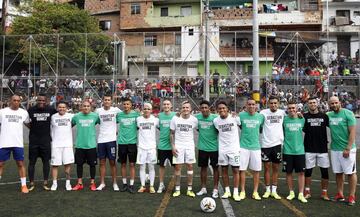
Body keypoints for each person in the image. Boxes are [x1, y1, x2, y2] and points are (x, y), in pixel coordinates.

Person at [327, 96, 357, 205]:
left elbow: (353, 132)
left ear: (340, 102)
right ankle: (340, 194)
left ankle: (352, 196)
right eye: (332, 104)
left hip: (347, 149)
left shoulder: (348, 114)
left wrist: (348, 148)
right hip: (334, 149)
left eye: (335, 103)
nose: (334, 105)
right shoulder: (329, 115)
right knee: (338, 173)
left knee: (351, 173)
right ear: (329, 105)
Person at [0, 95, 30, 193]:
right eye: (14, 100)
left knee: (20, 163)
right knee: (0, 164)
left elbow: (29, 124)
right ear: (10, 101)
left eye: (18, 101)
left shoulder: (24, 113)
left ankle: (24, 185)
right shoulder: (2, 112)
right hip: (4, 142)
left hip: (18, 143)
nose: (16, 102)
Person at [27, 93, 57, 191]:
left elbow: (59, 117)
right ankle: (31, 183)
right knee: (32, 162)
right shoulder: (31, 110)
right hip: (33, 141)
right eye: (39, 100)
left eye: (43, 101)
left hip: (46, 141)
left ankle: (45, 182)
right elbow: (27, 123)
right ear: (36, 101)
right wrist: (34, 129)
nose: (41, 102)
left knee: (46, 162)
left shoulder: (51, 110)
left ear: (46, 101)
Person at [213, 101, 241, 201]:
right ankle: (227, 191)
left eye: (223, 108)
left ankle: (236, 192)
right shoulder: (216, 121)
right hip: (222, 149)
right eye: (220, 108)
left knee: (236, 170)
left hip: (234, 149)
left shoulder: (235, 118)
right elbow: (217, 132)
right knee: (224, 170)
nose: (222, 110)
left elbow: (242, 126)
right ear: (217, 110)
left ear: (227, 109)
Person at [303, 97, 330, 200]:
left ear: (317, 103)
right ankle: (307, 190)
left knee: (324, 172)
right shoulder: (304, 117)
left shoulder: (324, 116)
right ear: (308, 104)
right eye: (310, 103)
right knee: (308, 171)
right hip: (308, 148)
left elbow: (334, 128)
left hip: (322, 149)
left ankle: (324, 192)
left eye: (314, 102)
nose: (312, 104)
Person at [170, 101, 198, 197]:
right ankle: (177, 189)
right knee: (178, 167)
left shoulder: (194, 120)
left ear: (190, 109)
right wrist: (173, 146)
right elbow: (171, 133)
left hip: (189, 146)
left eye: (187, 107)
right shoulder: (175, 119)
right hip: (178, 146)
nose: (185, 109)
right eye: (184, 107)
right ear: (181, 108)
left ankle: (189, 189)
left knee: (190, 166)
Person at [239, 98, 264, 201]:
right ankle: (242, 191)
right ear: (246, 105)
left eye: (253, 104)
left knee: (256, 170)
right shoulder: (241, 115)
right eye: (249, 104)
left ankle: (255, 192)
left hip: (256, 147)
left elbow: (261, 129)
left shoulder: (261, 117)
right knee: (242, 170)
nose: (251, 106)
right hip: (243, 147)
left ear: (256, 106)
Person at [260, 96, 285, 199]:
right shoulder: (263, 113)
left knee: (275, 168)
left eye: (275, 103)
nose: (273, 105)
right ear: (268, 104)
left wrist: (299, 115)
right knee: (266, 168)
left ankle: (274, 190)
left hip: (277, 144)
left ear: (278, 103)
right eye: (271, 103)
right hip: (266, 145)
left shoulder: (282, 113)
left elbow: (293, 114)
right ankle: (267, 190)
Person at [71, 100, 100, 191]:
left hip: (91, 145)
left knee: (92, 165)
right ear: (81, 107)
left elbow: (100, 123)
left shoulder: (95, 116)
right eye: (84, 106)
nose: (86, 108)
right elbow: (70, 125)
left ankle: (92, 183)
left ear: (90, 107)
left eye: (88, 106)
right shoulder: (76, 117)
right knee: (79, 165)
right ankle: (80, 183)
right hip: (79, 145)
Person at [282, 101, 307, 203]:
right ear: (287, 110)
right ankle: (291, 192)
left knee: (301, 173)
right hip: (287, 151)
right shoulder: (284, 120)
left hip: (300, 151)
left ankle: (301, 194)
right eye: (290, 108)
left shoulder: (302, 119)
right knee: (288, 172)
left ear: (297, 109)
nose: (292, 110)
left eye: (293, 108)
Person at [95, 95, 121, 191]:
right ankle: (102, 183)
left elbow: (124, 116)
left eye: (108, 100)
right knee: (101, 162)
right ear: (103, 101)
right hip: (101, 140)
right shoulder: (98, 111)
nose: (106, 101)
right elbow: (95, 120)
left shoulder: (116, 110)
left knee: (112, 162)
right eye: (105, 99)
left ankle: (115, 183)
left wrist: (118, 130)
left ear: (111, 101)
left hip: (111, 140)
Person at [195, 100, 219, 198]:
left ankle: (215, 189)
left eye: (206, 107)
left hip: (214, 148)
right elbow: (197, 128)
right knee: (203, 168)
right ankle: (203, 188)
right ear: (200, 109)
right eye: (202, 108)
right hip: (202, 147)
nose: (204, 109)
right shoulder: (197, 118)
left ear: (209, 108)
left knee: (215, 169)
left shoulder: (215, 118)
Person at [116, 98, 140, 193]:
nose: (126, 106)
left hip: (132, 143)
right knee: (123, 164)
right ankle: (124, 184)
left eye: (128, 104)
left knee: (132, 164)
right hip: (121, 143)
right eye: (124, 104)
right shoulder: (119, 115)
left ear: (131, 105)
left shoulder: (136, 115)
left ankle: (131, 184)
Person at [50, 101, 74, 191]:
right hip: (56, 145)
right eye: (60, 107)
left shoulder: (71, 116)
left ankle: (68, 183)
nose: (62, 109)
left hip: (67, 145)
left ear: (67, 108)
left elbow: (74, 123)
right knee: (55, 165)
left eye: (64, 107)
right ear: (57, 108)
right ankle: (54, 183)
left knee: (67, 165)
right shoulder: (53, 117)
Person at [136, 103, 159, 193]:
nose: (146, 110)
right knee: (142, 167)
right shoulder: (138, 119)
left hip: (152, 147)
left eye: (148, 109)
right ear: (143, 110)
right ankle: (142, 186)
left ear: (151, 110)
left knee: (151, 167)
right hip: (141, 147)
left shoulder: (155, 120)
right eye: (145, 109)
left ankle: (152, 186)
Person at [157, 99, 176, 193]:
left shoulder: (175, 115)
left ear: (171, 106)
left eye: (168, 104)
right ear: (162, 106)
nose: (166, 106)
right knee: (161, 166)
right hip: (162, 145)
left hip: (173, 146)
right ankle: (161, 184)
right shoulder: (159, 116)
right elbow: (159, 127)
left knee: (175, 166)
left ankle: (176, 185)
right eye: (164, 104)